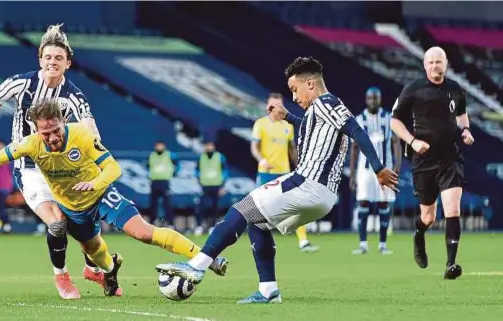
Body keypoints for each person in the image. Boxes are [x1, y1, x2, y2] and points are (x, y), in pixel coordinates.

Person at [156, 57, 399, 303]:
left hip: (307, 184)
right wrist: (288, 117)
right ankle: (268, 290)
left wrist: (378, 168)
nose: (293, 97)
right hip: (321, 193)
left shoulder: (327, 101)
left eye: (295, 89)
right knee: (258, 223)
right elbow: (314, 129)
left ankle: (197, 266)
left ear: (311, 84)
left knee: (241, 209)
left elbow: (356, 130)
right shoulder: (320, 110)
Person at [0, 100, 229, 296]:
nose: (52, 138)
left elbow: (113, 167)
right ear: (36, 130)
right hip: (73, 210)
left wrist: (95, 182)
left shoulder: (82, 134)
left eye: (56, 131)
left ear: (63, 122)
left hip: (101, 195)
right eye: (45, 133)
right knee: (99, 255)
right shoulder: (31, 144)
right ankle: (110, 271)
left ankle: (207, 259)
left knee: (143, 233)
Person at [0, 24, 103, 299]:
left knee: (84, 226)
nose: (52, 62)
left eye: (58, 58)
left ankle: (92, 267)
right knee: (57, 223)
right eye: (48, 57)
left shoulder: (74, 95)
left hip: (65, 170)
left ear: (67, 63)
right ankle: (62, 278)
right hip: (30, 168)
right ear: (40, 59)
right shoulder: (22, 83)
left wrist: (97, 151)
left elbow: (90, 127)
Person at [390, 46, 474, 280]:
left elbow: (461, 117)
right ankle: (419, 235)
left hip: (451, 158)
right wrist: (413, 141)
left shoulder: (455, 89)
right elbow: (394, 122)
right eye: (431, 62)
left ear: (446, 64)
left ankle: (450, 264)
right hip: (424, 160)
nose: (436, 66)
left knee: (453, 208)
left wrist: (466, 131)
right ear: (425, 65)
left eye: (439, 62)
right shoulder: (413, 89)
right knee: (428, 217)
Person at [252, 93, 320, 253]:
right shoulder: (260, 124)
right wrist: (261, 160)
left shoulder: (287, 126)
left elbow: (291, 149)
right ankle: (259, 243)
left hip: (284, 173)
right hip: (265, 173)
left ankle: (303, 241)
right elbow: (254, 147)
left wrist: (299, 166)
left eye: (278, 105)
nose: (275, 108)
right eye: (273, 105)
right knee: (260, 209)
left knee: (297, 205)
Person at [349, 87, 402, 255]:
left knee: (383, 204)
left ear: (380, 99)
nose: (373, 101)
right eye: (370, 98)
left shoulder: (389, 119)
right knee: (363, 202)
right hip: (365, 171)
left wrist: (397, 167)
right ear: (366, 100)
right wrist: (352, 173)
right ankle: (363, 244)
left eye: (376, 98)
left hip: (385, 169)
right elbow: (355, 148)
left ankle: (382, 245)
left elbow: (396, 143)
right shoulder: (359, 119)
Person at [194, 141, 228, 235]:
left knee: (214, 207)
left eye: (210, 145)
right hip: (204, 186)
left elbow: (225, 171)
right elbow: (196, 171)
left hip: (216, 185)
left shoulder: (220, 157)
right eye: (207, 146)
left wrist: (222, 186)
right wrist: (199, 180)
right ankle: (200, 226)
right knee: (202, 206)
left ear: (214, 146)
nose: (209, 147)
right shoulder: (201, 157)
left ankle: (212, 226)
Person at [147, 141, 178, 228]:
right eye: (158, 146)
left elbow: (178, 165)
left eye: (161, 146)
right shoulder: (151, 155)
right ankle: (152, 223)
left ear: (164, 146)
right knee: (153, 204)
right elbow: (147, 166)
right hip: (154, 182)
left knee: (167, 204)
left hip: (165, 182)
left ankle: (170, 223)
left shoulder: (170, 155)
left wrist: (174, 173)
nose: (159, 147)